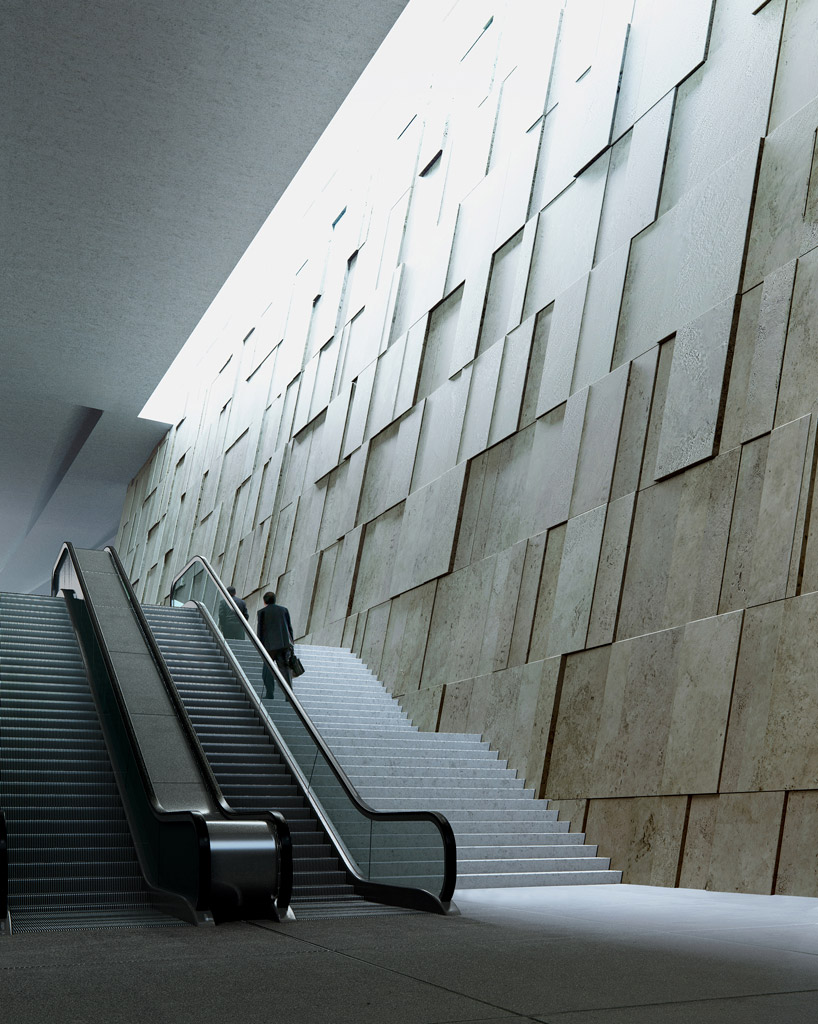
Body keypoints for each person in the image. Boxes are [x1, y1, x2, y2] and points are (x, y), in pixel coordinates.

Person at [256, 591, 293, 698]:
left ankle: (269, 693)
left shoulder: (261, 612)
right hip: (283, 645)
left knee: (267, 671)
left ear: (264, 601)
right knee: (284, 670)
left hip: (269, 646)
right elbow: (289, 628)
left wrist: (260, 645)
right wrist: (291, 643)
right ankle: (288, 695)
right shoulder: (284, 610)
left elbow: (260, 631)